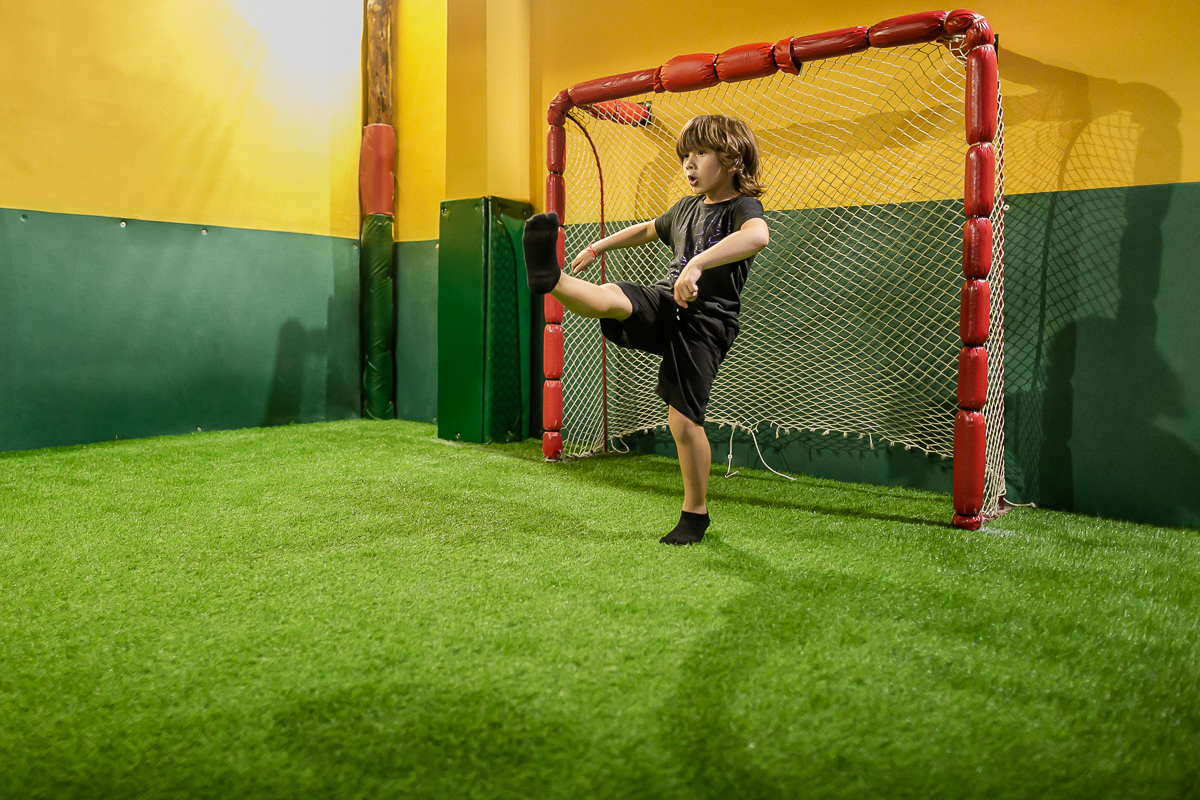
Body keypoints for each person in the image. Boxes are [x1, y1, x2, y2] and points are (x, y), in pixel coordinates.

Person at [523, 114, 769, 545]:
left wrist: (696, 263)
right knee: (617, 298)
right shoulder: (685, 208)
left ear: (731, 158)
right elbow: (647, 229)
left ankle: (695, 513)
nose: (689, 165)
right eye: (685, 157)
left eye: (700, 155)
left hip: (707, 323)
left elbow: (758, 238)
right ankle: (552, 279)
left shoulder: (741, 208)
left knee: (683, 423)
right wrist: (598, 245)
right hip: (666, 301)